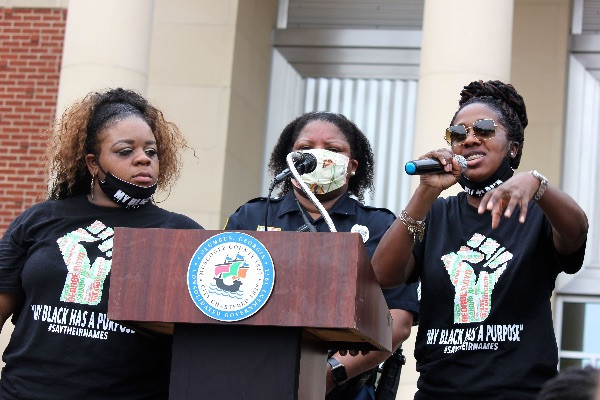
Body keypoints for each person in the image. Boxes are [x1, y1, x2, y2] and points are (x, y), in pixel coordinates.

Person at [372, 80, 589, 400]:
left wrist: (538, 184)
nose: (471, 138)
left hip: (521, 393)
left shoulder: (539, 213)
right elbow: (383, 275)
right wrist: (425, 192)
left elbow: (576, 231)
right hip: (439, 392)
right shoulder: (436, 214)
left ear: (513, 147)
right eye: (458, 134)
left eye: (485, 129)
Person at [0, 88, 203, 399]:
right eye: (125, 151)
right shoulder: (39, 220)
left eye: (152, 151)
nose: (143, 159)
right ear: (93, 164)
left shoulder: (180, 234)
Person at [224, 111, 419, 399]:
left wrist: (331, 372)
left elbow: (398, 322)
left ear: (352, 166)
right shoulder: (251, 216)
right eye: (305, 148)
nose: (318, 156)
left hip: (346, 387)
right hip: (255, 377)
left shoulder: (382, 227)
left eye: (333, 149)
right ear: (287, 159)